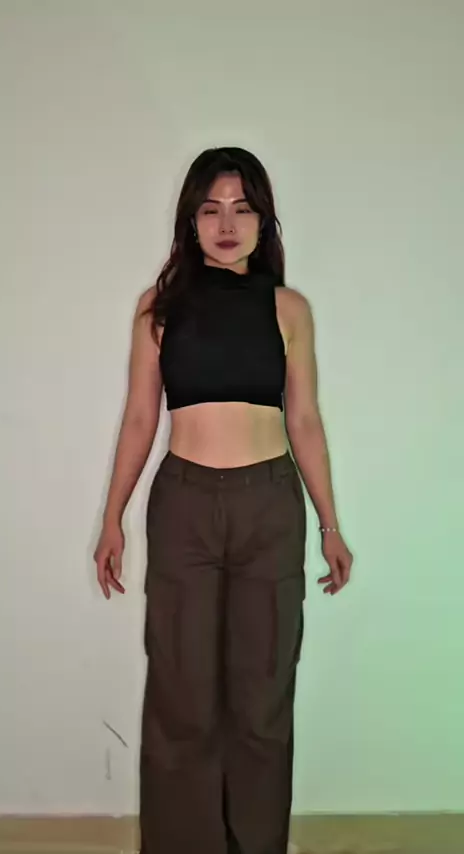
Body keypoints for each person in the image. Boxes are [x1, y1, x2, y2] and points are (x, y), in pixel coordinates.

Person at [94, 146, 353, 854]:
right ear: (191, 221)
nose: (227, 224)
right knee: (181, 694)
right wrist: (112, 517)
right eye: (211, 210)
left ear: (264, 221)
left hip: (270, 505)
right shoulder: (158, 309)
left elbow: (305, 419)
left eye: (243, 209)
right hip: (183, 507)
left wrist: (330, 525)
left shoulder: (289, 309)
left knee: (262, 695)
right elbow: (140, 417)